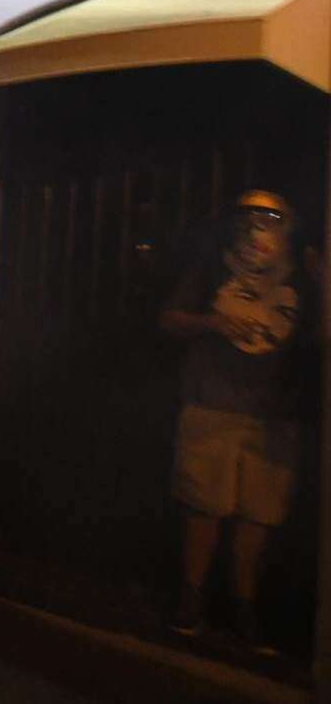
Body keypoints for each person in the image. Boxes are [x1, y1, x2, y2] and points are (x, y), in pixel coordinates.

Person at [161, 189, 317, 650]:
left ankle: (242, 607)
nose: (259, 227)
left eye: (272, 217)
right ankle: (193, 600)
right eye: (251, 216)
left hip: (275, 415)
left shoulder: (302, 279)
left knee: (258, 517)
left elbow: (320, 336)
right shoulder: (213, 268)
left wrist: (323, 280)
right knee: (204, 508)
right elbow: (168, 318)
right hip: (212, 403)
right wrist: (211, 323)